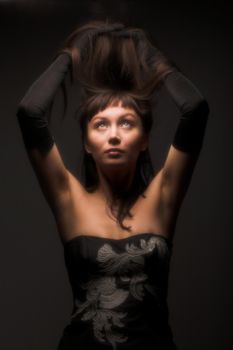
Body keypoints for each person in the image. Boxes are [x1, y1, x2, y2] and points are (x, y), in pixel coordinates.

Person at [16, 20, 209, 350]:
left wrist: (143, 47)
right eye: (101, 124)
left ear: (144, 139)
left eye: (127, 123)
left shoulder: (163, 196)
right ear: (88, 143)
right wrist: (74, 52)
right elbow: (30, 111)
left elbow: (195, 109)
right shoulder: (69, 198)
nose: (115, 134)